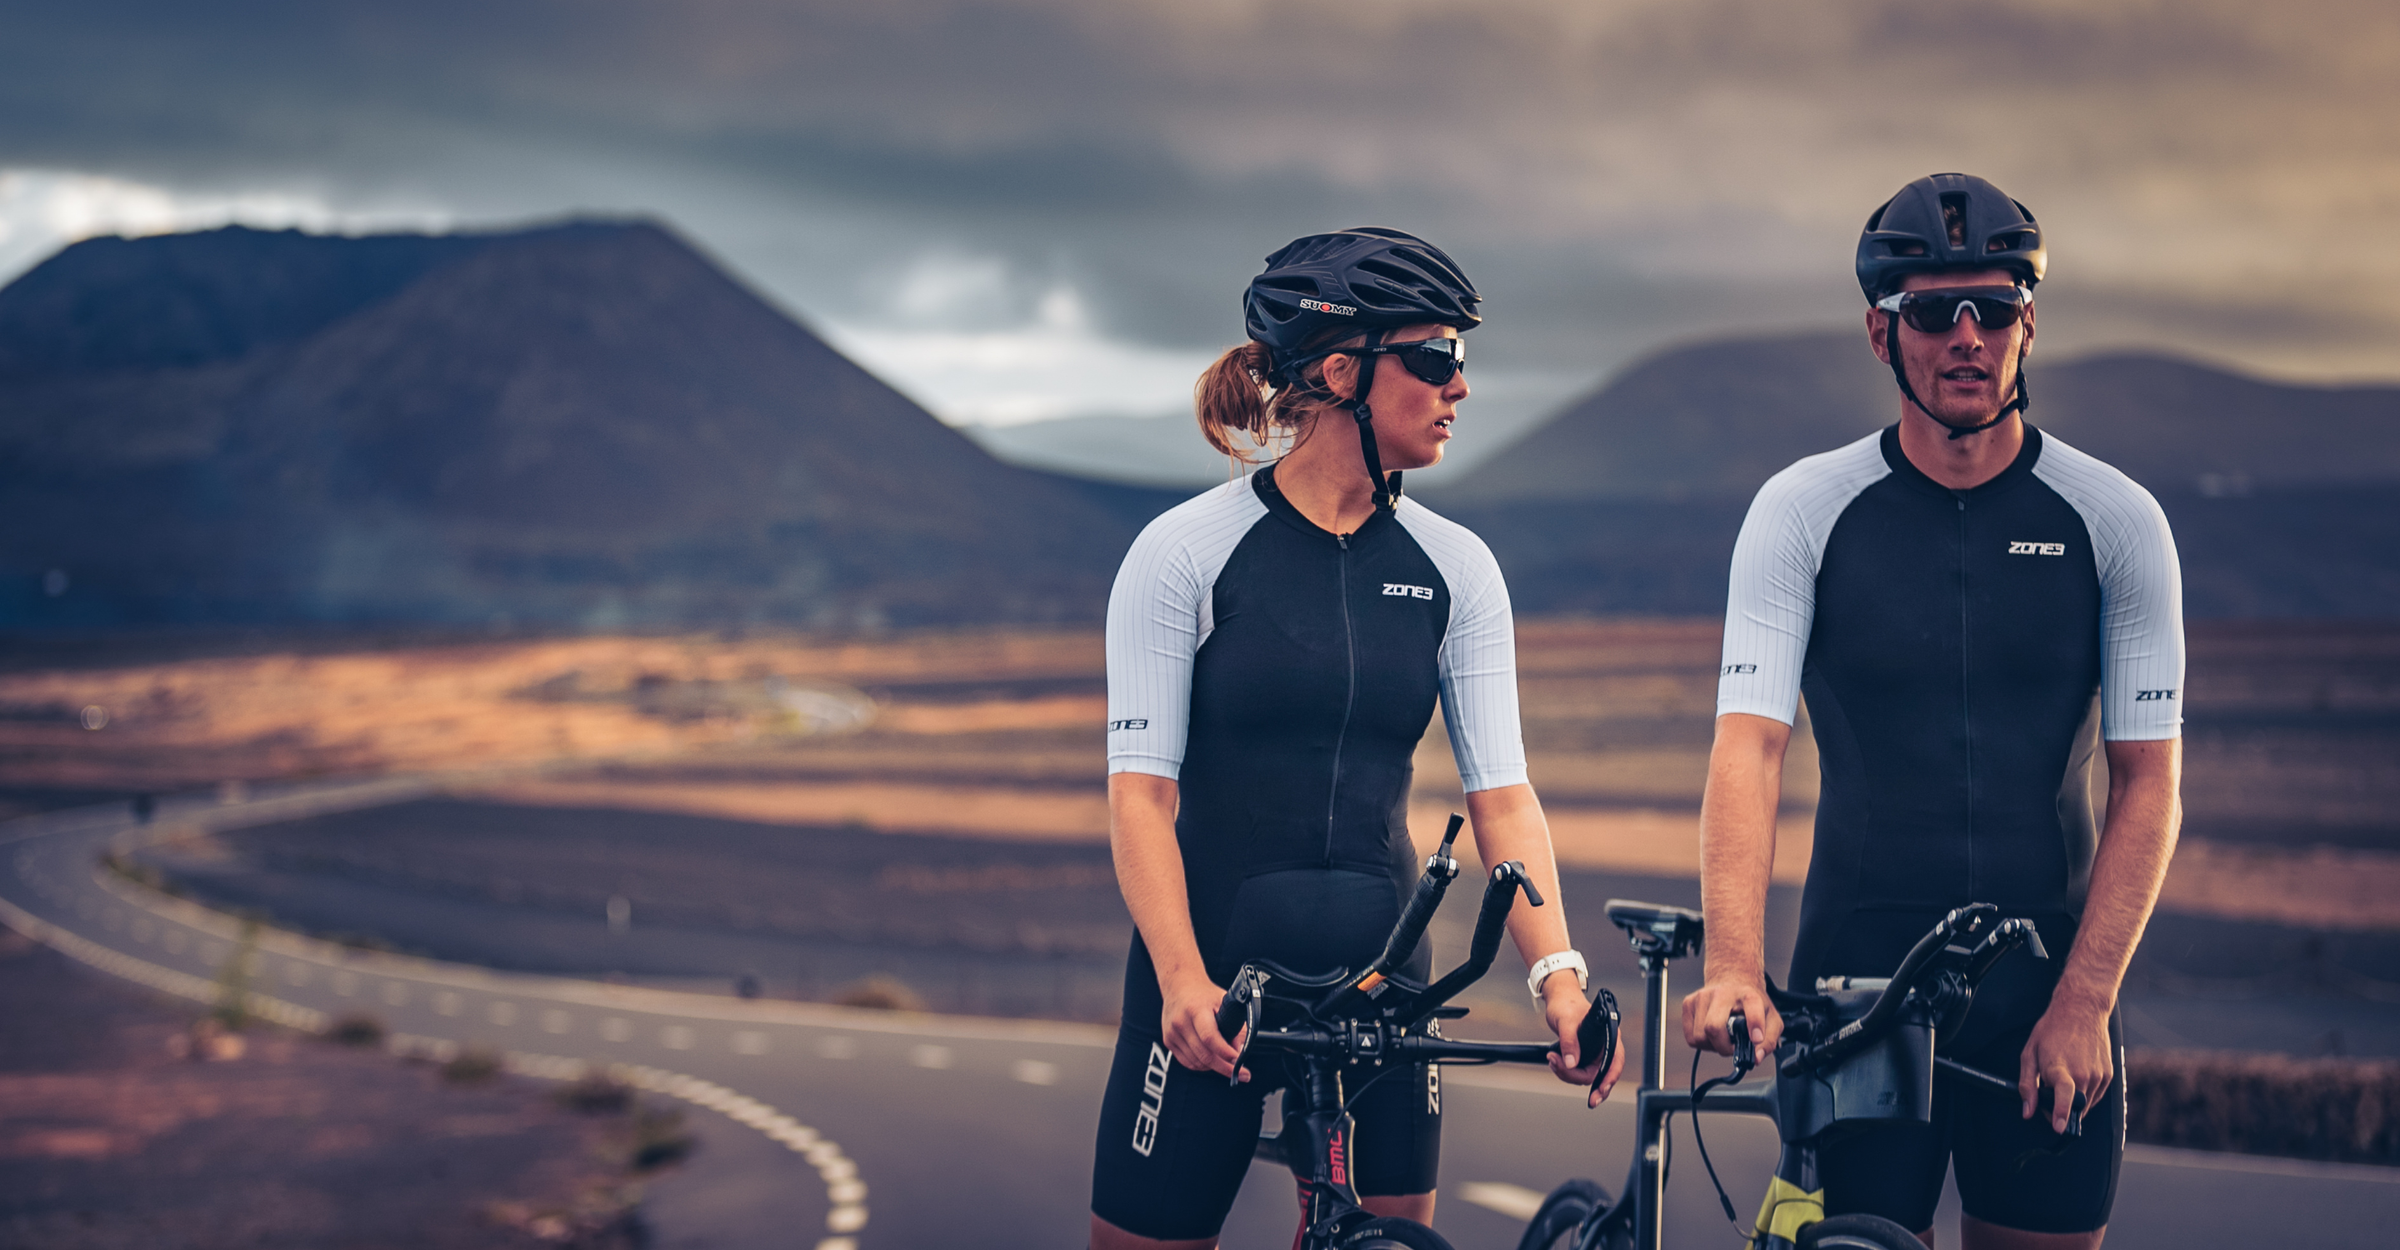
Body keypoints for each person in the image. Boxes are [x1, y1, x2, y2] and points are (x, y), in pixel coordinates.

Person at [1090, 227, 1622, 1250]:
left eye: (1461, 357)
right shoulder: (1184, 553)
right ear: (1342, 372)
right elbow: (1140, 795)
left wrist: (1559, 972)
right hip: (1215, 977)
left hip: (1389, 983)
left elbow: (1501, 795)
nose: (1460, 384)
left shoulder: (1456, 567)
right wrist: (1180, 979)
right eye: (1434, 357)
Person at [1681, 173, 2184, 1247]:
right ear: (1881, 332)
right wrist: (1732, 959)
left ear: (2027, 325)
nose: (1967, 336)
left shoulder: (2118, 521)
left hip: (2047, 993)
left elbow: (2149, 780)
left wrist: (2085, 1001)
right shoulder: (1803, 510)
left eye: (1993, 308)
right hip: (1852, 996)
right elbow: (1749, 747)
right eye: (1930, 311)